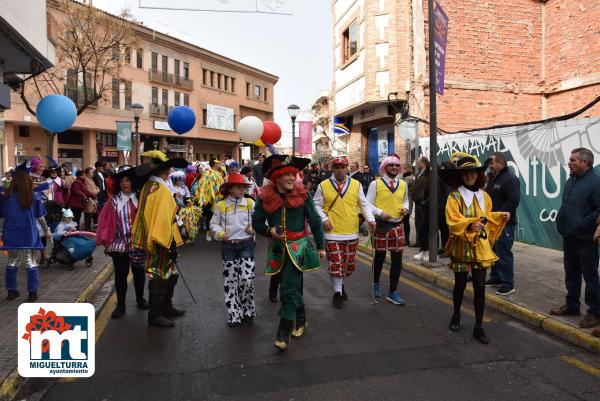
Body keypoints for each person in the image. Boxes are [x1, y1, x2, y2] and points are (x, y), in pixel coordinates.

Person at [252, 155, 326, 351]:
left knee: (288, 288)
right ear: (277, 177)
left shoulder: (302, 195)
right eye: (287, 175)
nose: (292, 178)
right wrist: (269, 231)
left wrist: (320, 246)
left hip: (298, 248)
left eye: (293, 175)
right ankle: (301, 319)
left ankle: (283, 333)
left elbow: (316, 221)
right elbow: (256, 223)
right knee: (294, 287)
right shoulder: (265, 197)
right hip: (277, 249)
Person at [441, 154, 509, 344]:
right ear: (460, 176)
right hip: (461, 247)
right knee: (460, 285)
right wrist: (470, 225)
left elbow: (486, 218)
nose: (469, 175)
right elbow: (452, 221)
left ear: (478, 174)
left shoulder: (485, 196)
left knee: (479, 287)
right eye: (465, 173)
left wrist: (499, 216)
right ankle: (456, 315)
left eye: (472, 172)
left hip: (480, 248)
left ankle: (479, 326)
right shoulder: (454, 197)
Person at [132, 150, 189, 328]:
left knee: (170, 273)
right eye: (169, 169)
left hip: (156, 235)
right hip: (160, 238)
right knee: (159, 273)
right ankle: (155, 315)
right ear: (165, 171)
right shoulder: (160, 189)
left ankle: (166, 306)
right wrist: (168, 242)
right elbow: (163, 219)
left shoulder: (150, 186)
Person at [313, 158, 375, 308]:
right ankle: (337, 292)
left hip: (351, 231)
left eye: (342, 167)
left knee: (348, 266)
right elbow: (316, 205)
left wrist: (371, 219)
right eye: (336, 167)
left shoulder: (356, 184)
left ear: (347, 168)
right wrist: (323, 219)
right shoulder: (324, 185)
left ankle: (340, 284)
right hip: (331, 232)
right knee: (336, 263)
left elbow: (364, 204)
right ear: (332, 169)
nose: (340, 170)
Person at [551, 148, 600, 329]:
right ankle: (572, 306)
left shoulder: (595, 182)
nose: (569, 163)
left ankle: (595, 312)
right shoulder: (570, 180)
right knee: (571, 273)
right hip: (569, 235)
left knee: (590, 276)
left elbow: (598, 210)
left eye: (573, 160)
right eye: (570, 160)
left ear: (585, 163)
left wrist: (582, 224)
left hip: (585, 238)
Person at [97, 165, 149, 319]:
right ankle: (121, 305)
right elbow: (104, 222)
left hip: (138, 244)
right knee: (120, 275)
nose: (124, 183)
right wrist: (106, 238)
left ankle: (140, 299)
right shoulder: (113, 202)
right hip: (119, 245)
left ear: (133, 181)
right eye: (122, 181)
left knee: (139, 274)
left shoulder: (141, 199)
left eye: (127, 180)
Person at [210, 173, 256, 327]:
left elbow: (260, 221)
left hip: (246, 244)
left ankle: (248, 311)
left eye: (244, 187)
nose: (242, 190)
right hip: (229, 246)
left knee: (247, 279)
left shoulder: (250, 203)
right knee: (231, 282)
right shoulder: (221, 205)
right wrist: (220, 233)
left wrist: (253, 228)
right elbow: (213, 224)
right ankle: (234, 314)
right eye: (239, 187)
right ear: (230, 189)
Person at [366, 155, 409, 305]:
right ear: (385, 167)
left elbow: (406, 200)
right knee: (380, 257)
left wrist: (406, 208)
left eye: (397, 166)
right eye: (391, 165)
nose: (394, 168)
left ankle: (393, 292)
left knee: (397, 260)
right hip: (381, 226)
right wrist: (380, 213)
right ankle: (376, 283)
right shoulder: (375, 184)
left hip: (398, 225)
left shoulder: (403, 184)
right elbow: (367, 204)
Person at [1, 167, 50, 301]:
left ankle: (11, 291)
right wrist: (47, 231)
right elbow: (40, 217)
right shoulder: (34, 196)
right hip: (29, 232)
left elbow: (2, 217)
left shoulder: (6, 196)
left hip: (11, 232)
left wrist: (2, 232)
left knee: (12, 261)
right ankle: (32, 293)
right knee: (31, 261)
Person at [485, 152, 520, 295]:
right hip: (493, 223)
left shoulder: (510, 179)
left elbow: (513, 201)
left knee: (504, 253)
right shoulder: (493, 178)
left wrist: (498, 216)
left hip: (505, 223)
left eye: (491, 163)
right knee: (494, 251)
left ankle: (507, 283)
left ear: (500, 163)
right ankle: (496, 277)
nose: (490, 165)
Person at [195, 159, 225, 241]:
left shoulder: (219, 174)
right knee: (210, 215)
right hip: (209, 200)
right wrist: (204, 198)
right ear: (215, 164)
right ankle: (208, 232)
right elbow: (202, 186)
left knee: (217, 215)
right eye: (218, 163)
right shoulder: (207, 173)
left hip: (217, 199)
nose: (219, 164)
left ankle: (215, 232)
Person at [413, 156, 430, 258]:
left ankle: (429, 249)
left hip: (424, 203)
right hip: (418, 203)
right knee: (419, 224)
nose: (416, 164)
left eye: (418, 162)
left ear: (423, 163)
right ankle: (422, 246)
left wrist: (423, 200)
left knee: (426, 226)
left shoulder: (428, 174)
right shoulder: (419, 173)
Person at [401, 165, 415, 246]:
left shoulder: (408, 179)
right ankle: (405, 239)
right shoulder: (407, 178)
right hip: (407, 202)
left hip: (407, 203)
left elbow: (401, 185)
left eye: (403, 169)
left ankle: (406, 239)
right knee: (405, 222)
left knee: (405, 222)